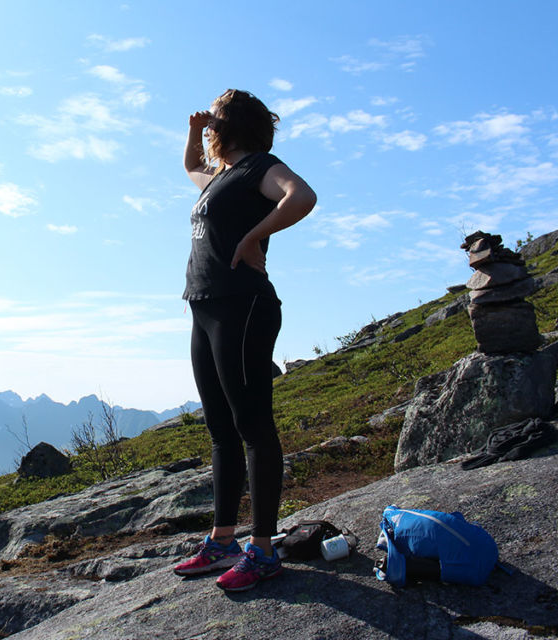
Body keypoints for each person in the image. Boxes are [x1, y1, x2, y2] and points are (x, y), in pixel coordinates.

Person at [172, 89, 316, 592]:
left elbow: (301, 196)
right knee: (220, 429)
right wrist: (194, 131)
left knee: (253, 425)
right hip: (204, 306)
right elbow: (190, 166)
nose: (209, 127)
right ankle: (224, 539)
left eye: (215, 119)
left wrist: (254, 236)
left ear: (231, 124)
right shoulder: (220, 177)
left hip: (243, 305)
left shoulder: (260, 167)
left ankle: (263, 550)